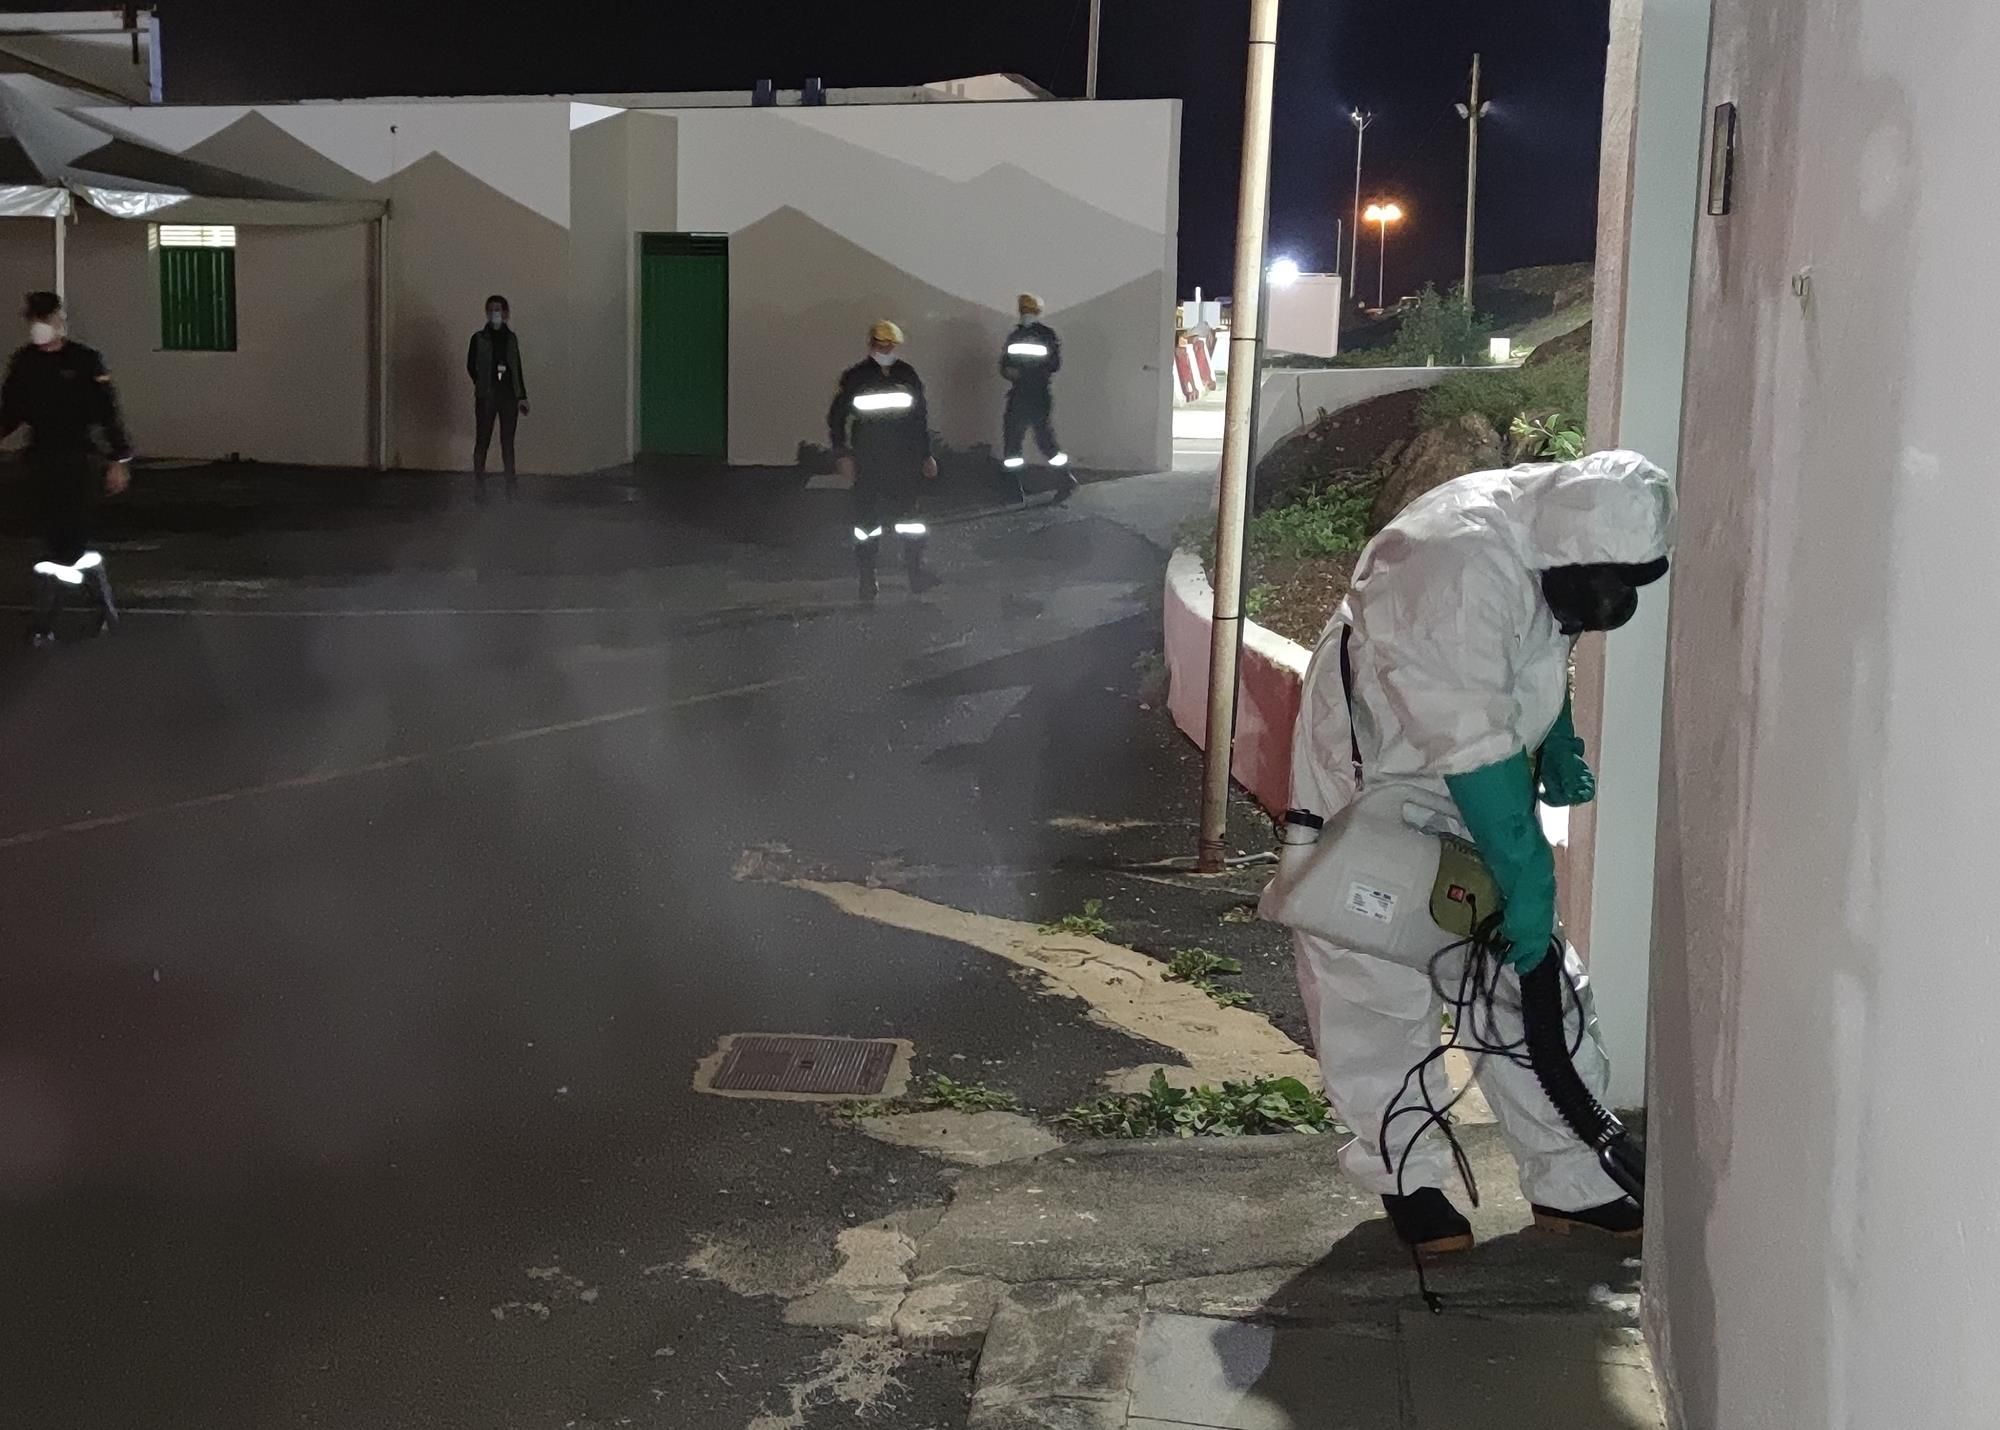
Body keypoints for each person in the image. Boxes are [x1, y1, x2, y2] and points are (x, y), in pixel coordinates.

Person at [1285, 450, 1674, 1253]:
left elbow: (1534, 644)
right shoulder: (1449, 566)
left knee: (1531, 983)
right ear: (1559, 555)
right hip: (1377, 770)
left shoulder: (1553, 524)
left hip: (1476, 759)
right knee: (1377, 976)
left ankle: (1575, 1177)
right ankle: (1407, 1175)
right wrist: (1528, 873)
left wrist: (1555, 730)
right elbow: (1465, 739)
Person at [1, 292, 132, 647]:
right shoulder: (25, 363)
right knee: (54, 539)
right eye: (36, 320)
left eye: (49, 318)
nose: (41, 326)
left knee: (68, 541)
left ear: (60, 321)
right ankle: (95, 612)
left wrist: (119, 459)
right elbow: (10, 411)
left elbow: (108, 412)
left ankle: (48, 623)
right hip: (41, 459)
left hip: (79, 460)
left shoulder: (85, 360)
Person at [827, 320, 938, 601]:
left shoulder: (907, 375)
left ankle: (916, 573)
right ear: (872, 344)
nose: (885, 349)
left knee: (911, 521)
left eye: (889, 345)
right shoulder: (855, 377)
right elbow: (837, 418)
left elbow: (919, 418)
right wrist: (842, 454)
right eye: (881, 345)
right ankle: (867, 580)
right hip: (869, 459)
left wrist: (926, 455)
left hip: (904, 460)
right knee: (867, 524)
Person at [998, 294, 1073, 503]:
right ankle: (1063, 479)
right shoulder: (1046, 335)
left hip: (1024, 394)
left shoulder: (1016, 336)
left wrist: (1017, 373)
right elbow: (1053, 364)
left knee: (1015, 443)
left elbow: (1004, 365)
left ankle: (1014, 489)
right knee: (1043, 441)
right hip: (1036, 394)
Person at [467, 295, 528, 501]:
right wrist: (482, 382)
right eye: (492, 310)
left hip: (508, 395)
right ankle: (478, 483)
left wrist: (521, 396)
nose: (496, 314)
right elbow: (470, 365)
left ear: (506, 313)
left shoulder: (511, 339)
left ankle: (511, 484)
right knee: (483, 439)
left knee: (507, 441)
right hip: (487, 395)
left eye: (499, 310)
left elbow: (516, 367)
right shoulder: (478, 338)